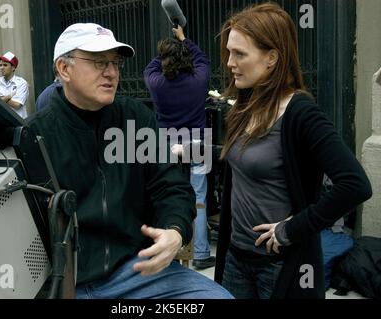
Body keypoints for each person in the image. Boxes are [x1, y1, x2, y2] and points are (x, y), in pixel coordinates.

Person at [27, 23, 232, 299]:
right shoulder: (37, 135)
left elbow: (171, 186)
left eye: (115, 63)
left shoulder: (135, 120)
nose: (111, 72)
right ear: (64, 69)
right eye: (99, 62)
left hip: (136, 271)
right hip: (66, 281)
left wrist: (174, 230)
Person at [213, 2, 372, 299]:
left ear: (272, 57)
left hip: (280, 267)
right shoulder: (245, 106)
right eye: (229, 52)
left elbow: (355, 185)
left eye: (239, 54)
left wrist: (292, 228)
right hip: (236, 260)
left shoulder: (301, 113)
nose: (230, 63)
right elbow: (247, 161)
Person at [144, 26, 215, 270]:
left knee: (168, 193)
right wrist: (184, 40)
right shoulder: (199, 80)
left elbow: (150, 67)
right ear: (185, 59)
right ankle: (202, 253)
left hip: (167, 144)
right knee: (199, 198)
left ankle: (169, 250)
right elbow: (202, 58)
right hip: (197, 144)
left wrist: (166, 49)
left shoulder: (156, 83)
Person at [0, 51, 29, 118]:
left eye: (5, 65)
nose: (1, 67)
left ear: (13, 67)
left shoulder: (22, 83)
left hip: (18, 123)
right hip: (2, 122)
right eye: (0, 65)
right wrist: (8, 97)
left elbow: (17, 105)